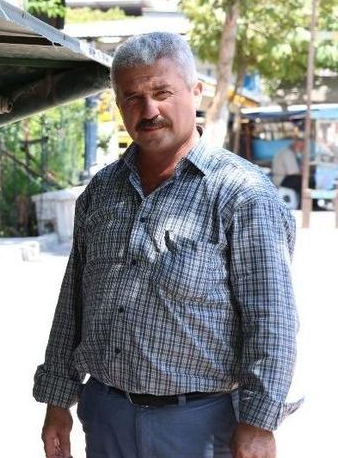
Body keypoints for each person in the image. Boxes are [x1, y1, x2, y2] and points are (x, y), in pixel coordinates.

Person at [34, 32, 298, 458]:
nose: (149, 109)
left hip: (202, 425)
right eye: (132, 97)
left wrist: (258, 424)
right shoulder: (100, 193)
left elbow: (273, 323)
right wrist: (57, 401)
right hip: (106, 417)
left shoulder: (241, 193)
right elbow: (72, 309)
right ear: (119, 106)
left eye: (161, 92)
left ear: (195, 92)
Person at [272, 136, 316, 207]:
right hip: (282, 179)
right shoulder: (287, 153)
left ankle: (311, 204)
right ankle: (306, 205)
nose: (302, 148)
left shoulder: (293, 153)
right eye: (301, 146)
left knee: (309, 180)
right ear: (296, 144)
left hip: (288, 178)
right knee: (305, 181)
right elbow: (293, 172)